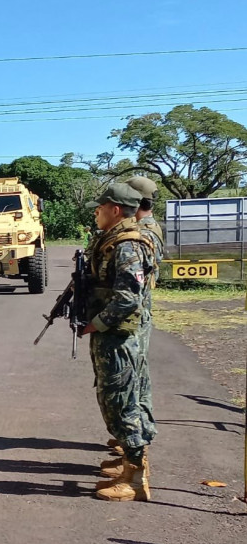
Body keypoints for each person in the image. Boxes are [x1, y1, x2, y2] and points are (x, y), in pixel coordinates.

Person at [77, 182, 156, 501]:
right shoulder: (113, 240)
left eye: (101, 206)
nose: (96, 211)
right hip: (115, 335)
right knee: (119, 398)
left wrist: (96, 324)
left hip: (118, 336)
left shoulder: (127, 245)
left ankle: (135, 480)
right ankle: (130, 466)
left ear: (116, 209)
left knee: (121, 401)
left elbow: (127, 298)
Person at [100, 177, 163, 468]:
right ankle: (132, 444)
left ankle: (135, 451)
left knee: (127, 387)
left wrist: (100, 321)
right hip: (133, 317)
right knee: (131, 383)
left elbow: (130, 292)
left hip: (130, 321)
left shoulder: (137, 236)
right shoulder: (141, 231)